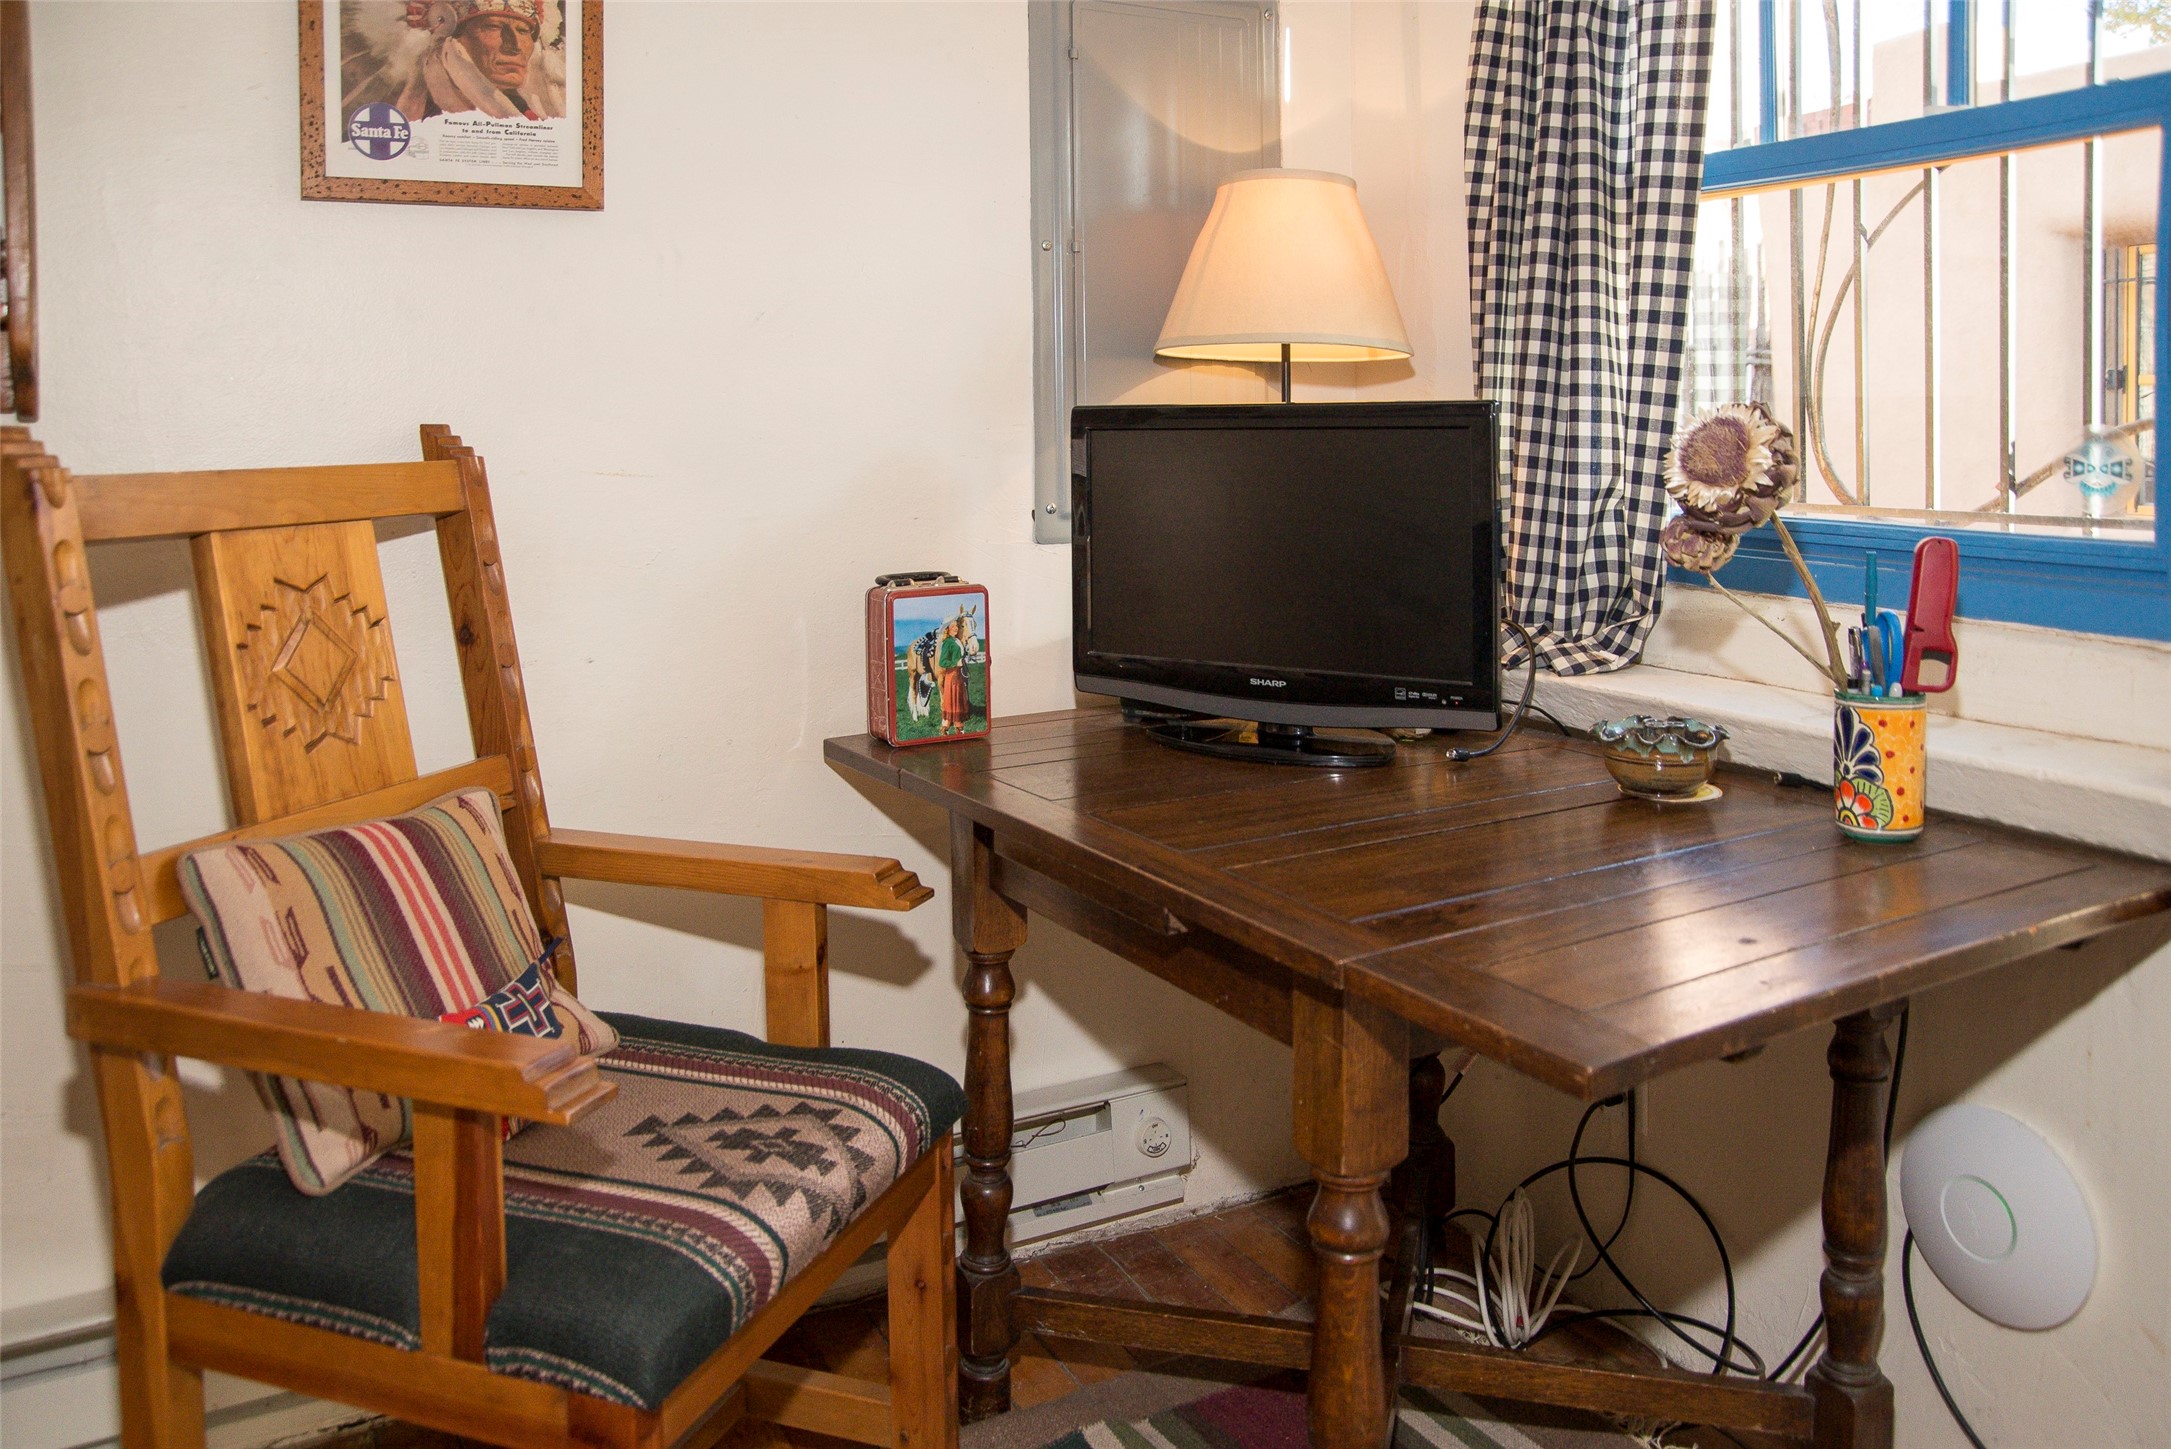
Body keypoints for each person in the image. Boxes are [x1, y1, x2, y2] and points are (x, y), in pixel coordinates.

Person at [343, 0, 566, 124]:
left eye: (524, 30)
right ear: (452, 39)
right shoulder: (420, 121)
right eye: (493, 27)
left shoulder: (542, 116)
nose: (515, 45)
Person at [936, 619, 970, 736]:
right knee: (952, 700)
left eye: (956, 626)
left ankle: (951, 726)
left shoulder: (956, 640)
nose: (956, 628)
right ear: (947, 629)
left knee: (957, 700)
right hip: (952, 675)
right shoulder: (947, 642)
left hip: (958, 674)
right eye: (953, 626)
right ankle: (954, 726)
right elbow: (942, 662)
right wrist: (955, 663)